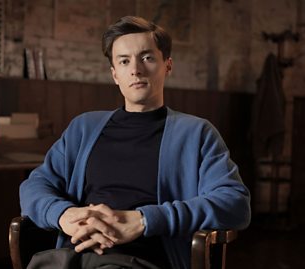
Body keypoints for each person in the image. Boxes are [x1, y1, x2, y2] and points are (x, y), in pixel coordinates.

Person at [19, 15, 251, 269]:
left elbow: (235, 203)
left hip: (143, 260)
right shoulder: (83, 128)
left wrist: (144, 220)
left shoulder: (196, 133)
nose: (136, 69)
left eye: (147, 58)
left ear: (168, 65)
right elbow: (35, 186)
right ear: (115, 74)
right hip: (71, 257)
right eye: (124, 61)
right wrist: (63, 214)